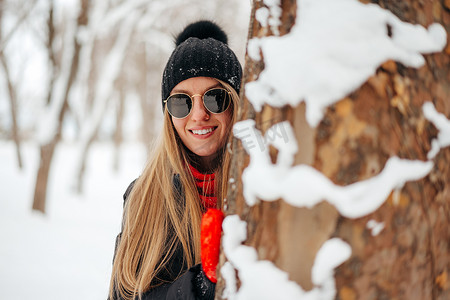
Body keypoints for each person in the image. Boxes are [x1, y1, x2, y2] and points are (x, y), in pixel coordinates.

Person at [108, 20, 243, 300]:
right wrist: (197, 287)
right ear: (168, 114)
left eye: (214, 98)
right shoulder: (144, 197)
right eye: (182, 102)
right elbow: (123, 295)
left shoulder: (262, 185)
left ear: (237, 104)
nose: (198, 115)